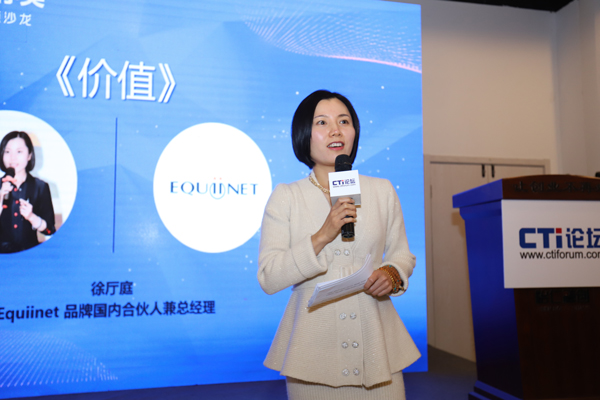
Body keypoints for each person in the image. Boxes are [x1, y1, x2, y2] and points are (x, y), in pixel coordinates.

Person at [258, 90, 420, 400]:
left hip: (378, 343)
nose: (336, 130)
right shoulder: (286, 196)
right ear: (304, 134)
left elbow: (402, 254)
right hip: (312, 350)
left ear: (354, 132)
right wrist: (323, 235)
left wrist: (392, 273)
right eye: (322, 122)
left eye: (344, 121)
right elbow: (269, 276)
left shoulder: (381, 190)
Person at [0, 131, 56, 253]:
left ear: (29, 155)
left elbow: (49, 230)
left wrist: (31, 217)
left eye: (19, 152)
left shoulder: (40, 187)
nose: (12, 157)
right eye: (7, 152)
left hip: (30, 255)